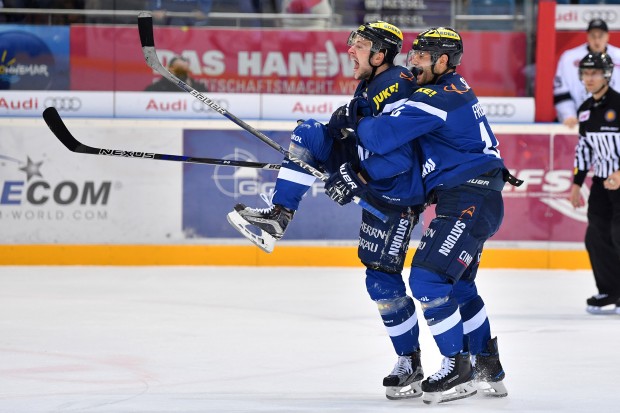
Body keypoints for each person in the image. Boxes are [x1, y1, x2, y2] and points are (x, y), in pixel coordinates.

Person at [227, 21, 428, 400]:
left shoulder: (398, 84)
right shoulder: (372, 83)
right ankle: (278, 217)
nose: (351, 50)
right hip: (370, 177)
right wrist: (341, 126)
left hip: (395, 195)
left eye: (362, 45)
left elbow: (401, 154)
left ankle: (411, 363)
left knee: (382, 280)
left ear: (381, 54)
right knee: (308, 133)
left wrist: (356, 177)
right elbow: (354, 126)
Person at [339, 27, 521, 404]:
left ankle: (458, 367)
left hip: (469, 199)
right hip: (476, 197)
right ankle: (489, 365)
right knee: (459, 286)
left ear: (443, 61)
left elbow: (379, 137)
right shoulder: (452, 88)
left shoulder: (435, 96)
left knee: (427, 279)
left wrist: (353, 117)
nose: (413, 61)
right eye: (414, 54)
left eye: (423, 56)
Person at [569, 52, 620, 315]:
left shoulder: (619, 104)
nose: (589, 78)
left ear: (607, 75)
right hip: (601, 182)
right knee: (596, 236)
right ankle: (611, 290)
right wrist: (577, 183)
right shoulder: (586, 109)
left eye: (594, 73)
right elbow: (584, 148)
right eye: (585, 73)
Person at [554, 18, 620, 128]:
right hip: (579, 122)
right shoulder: (569, 58)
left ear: (608, 36)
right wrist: (568, 115)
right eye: (593, 36)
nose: (597, 41)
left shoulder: (618, 56)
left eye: (600, 36)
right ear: (587, 36)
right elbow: (561, 92)